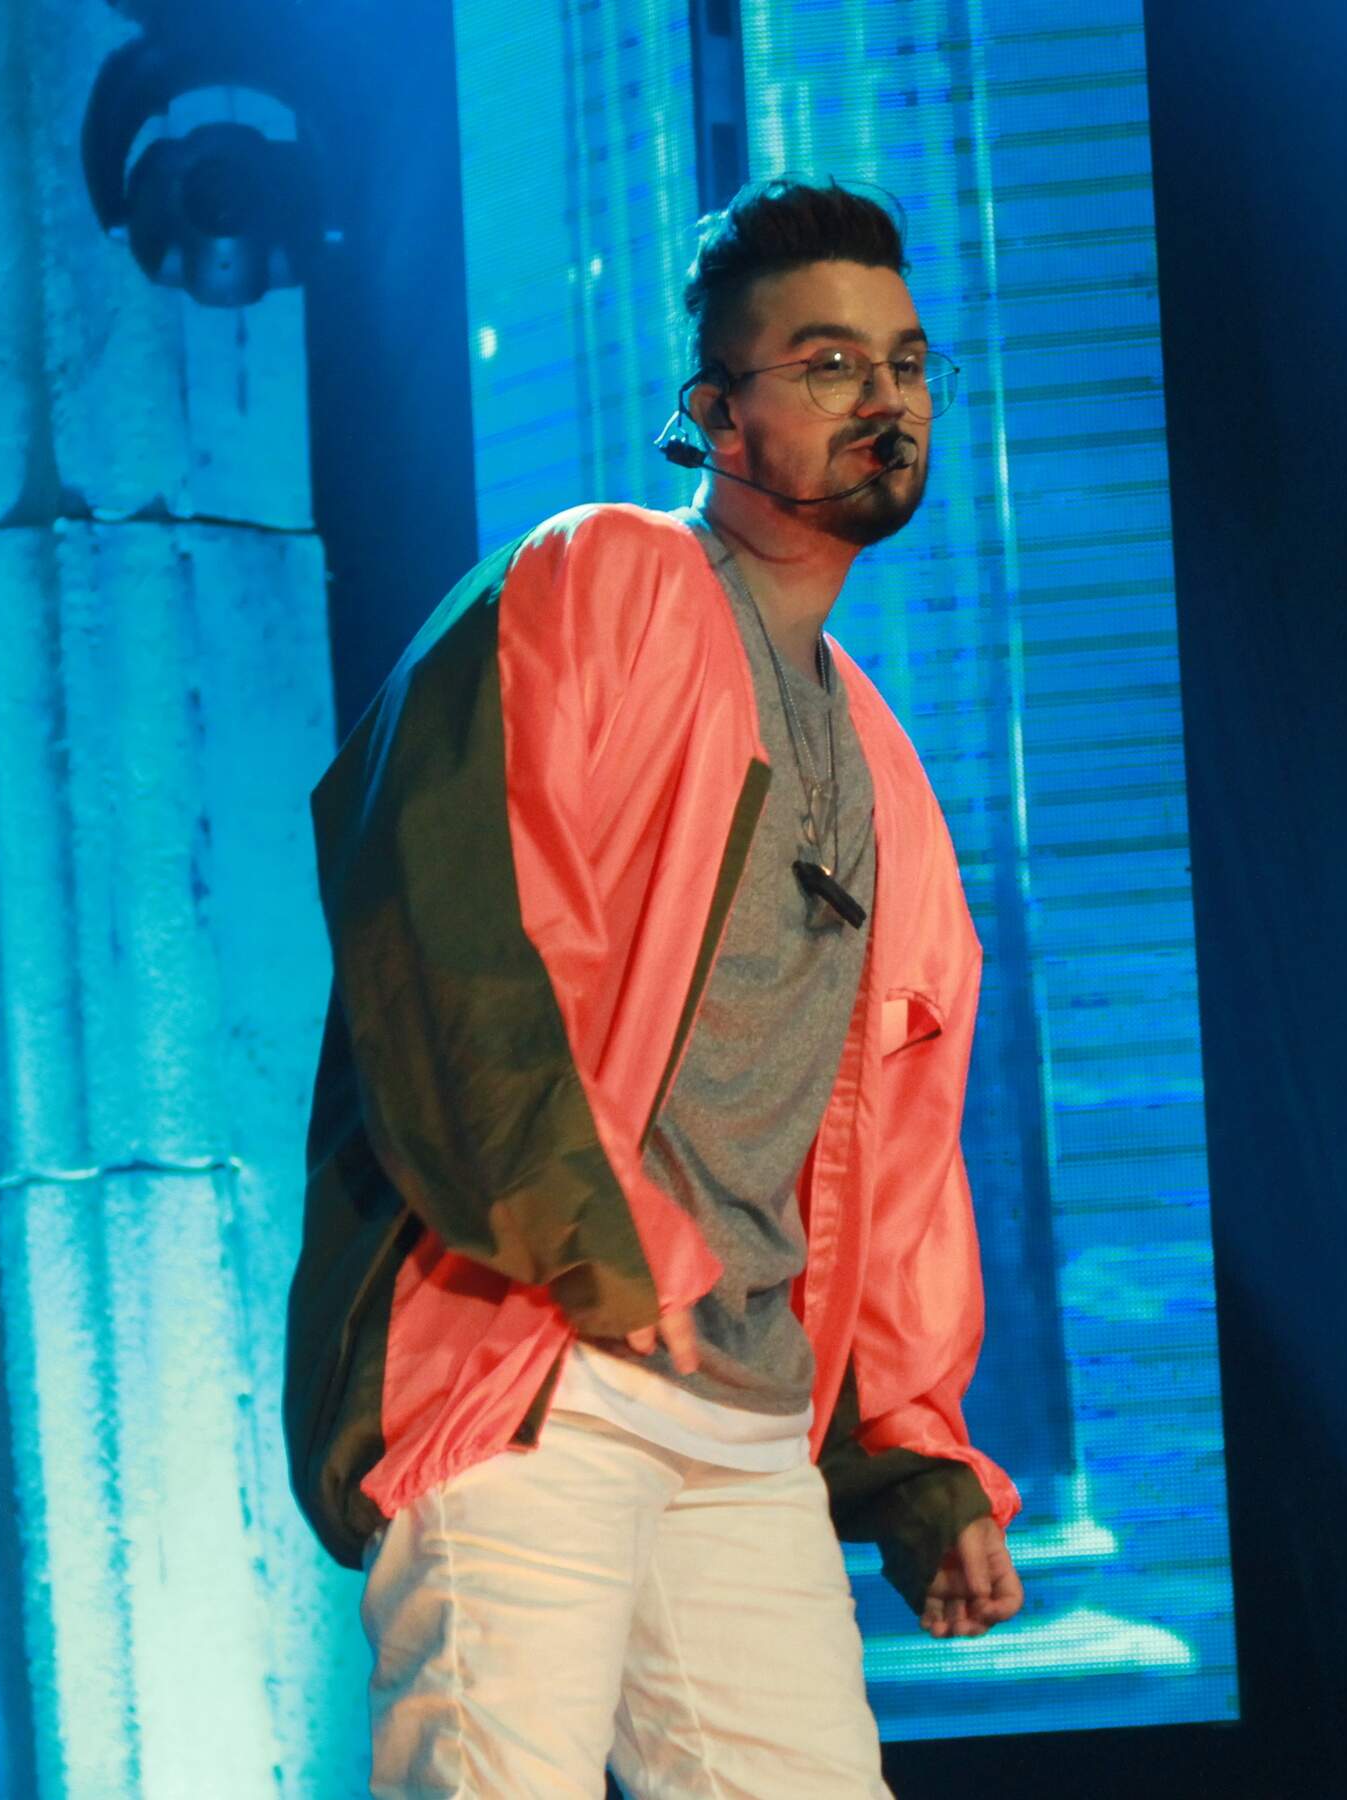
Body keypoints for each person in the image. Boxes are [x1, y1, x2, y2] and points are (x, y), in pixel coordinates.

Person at [283, 176, 1024, 1798]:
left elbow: (898, 1167)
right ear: (715, 414)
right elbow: (447, 923)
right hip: (536, 1368)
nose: (885, 397)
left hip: (746, 1427)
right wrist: (595, 1245)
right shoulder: (597, 578)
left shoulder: (889, 772)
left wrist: (912, 1463)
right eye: (827, 363)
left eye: (905, 363)